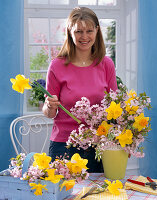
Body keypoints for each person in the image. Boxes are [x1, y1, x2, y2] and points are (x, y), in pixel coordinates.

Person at [42, 7, 118, 173]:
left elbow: (115, 109)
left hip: (98, 145)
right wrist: (50, 106)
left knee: (99, 196)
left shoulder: (106, 64)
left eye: (89, 31)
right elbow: (49, 114)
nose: (84, 37)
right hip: (64, 145)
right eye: (79, 31)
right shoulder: (57, 65)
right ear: (69, 31)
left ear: (97, 31)